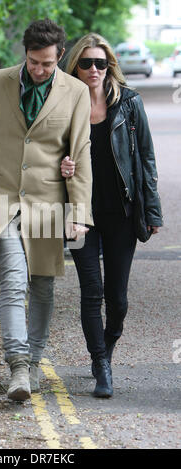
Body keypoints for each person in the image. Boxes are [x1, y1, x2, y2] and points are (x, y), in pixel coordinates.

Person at [0, 19, 93, 401]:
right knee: (14, 280)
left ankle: (33, 361)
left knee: (44, 285)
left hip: (48, 203)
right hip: (1, 199)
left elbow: (80, 152)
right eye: (34, 62)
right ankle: (17, 365)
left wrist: (79, 212)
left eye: (47, 64)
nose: (39, 70)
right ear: (26, 54)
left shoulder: (77, 92)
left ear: (59, 55)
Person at [61, 33, 163, 398]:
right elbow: (44, 150)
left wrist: (151, 209)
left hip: (121, 211)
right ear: (75, 65)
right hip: (76, 212)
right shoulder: (62, 103)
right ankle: (101, 363)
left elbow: (147, 159)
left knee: (117, 298)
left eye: (100, 63)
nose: (93, 69)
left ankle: (108, 343)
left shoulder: (130, 103)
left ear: (110, 66)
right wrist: (62, 164)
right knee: (91, 292)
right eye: (86, 62)